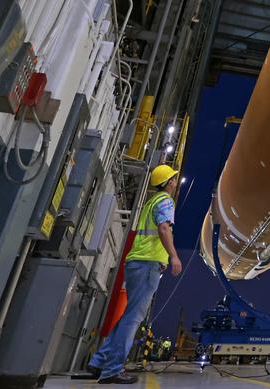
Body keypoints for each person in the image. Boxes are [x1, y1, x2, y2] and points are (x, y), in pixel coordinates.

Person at [88, 164, 183, 384]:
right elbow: (163, 228)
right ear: (169, 182)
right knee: (132, 319)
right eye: (174, 179)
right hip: (147, 263)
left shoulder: (151, 201)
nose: (176, 182)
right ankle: (112, 369)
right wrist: (174, 256)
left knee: (129, 316)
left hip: (136, 262)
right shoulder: (165, 201)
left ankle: (99, 362)